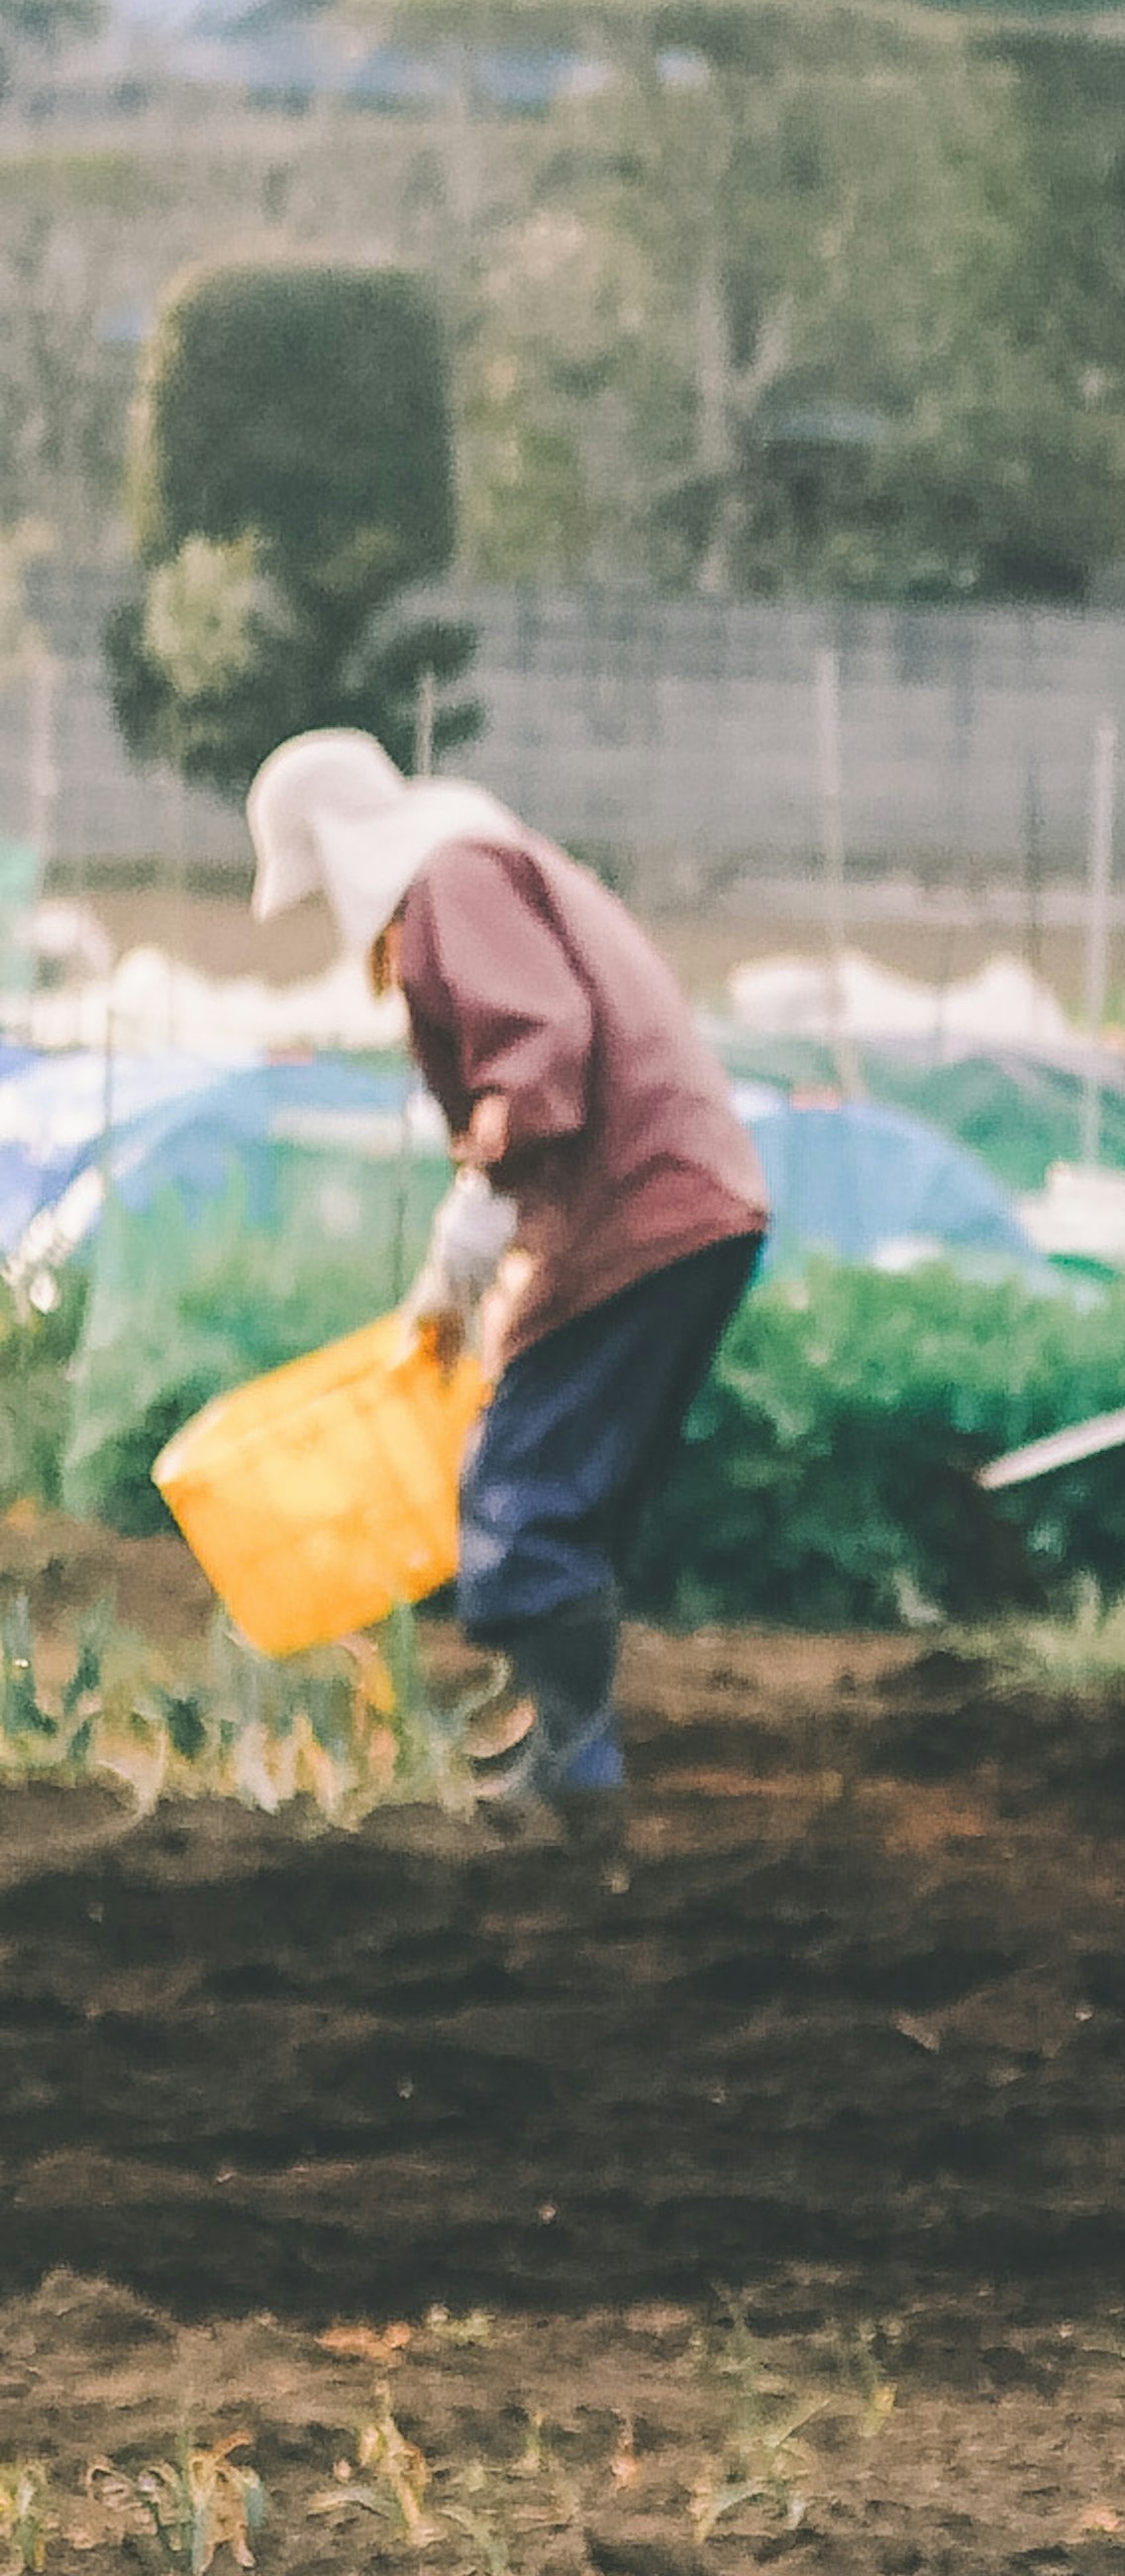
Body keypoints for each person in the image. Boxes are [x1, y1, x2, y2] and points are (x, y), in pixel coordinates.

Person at [246, 732, 768, 1819]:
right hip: (678, 1198)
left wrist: (467, 1249)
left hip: (635, 1208)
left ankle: (575, 1773)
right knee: (561, 1485)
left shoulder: (452, 881)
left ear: (339, 850)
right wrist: (463, 1269)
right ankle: (561, 1743)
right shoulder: (485, 864)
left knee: (523, 1485)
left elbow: (538, 1063)